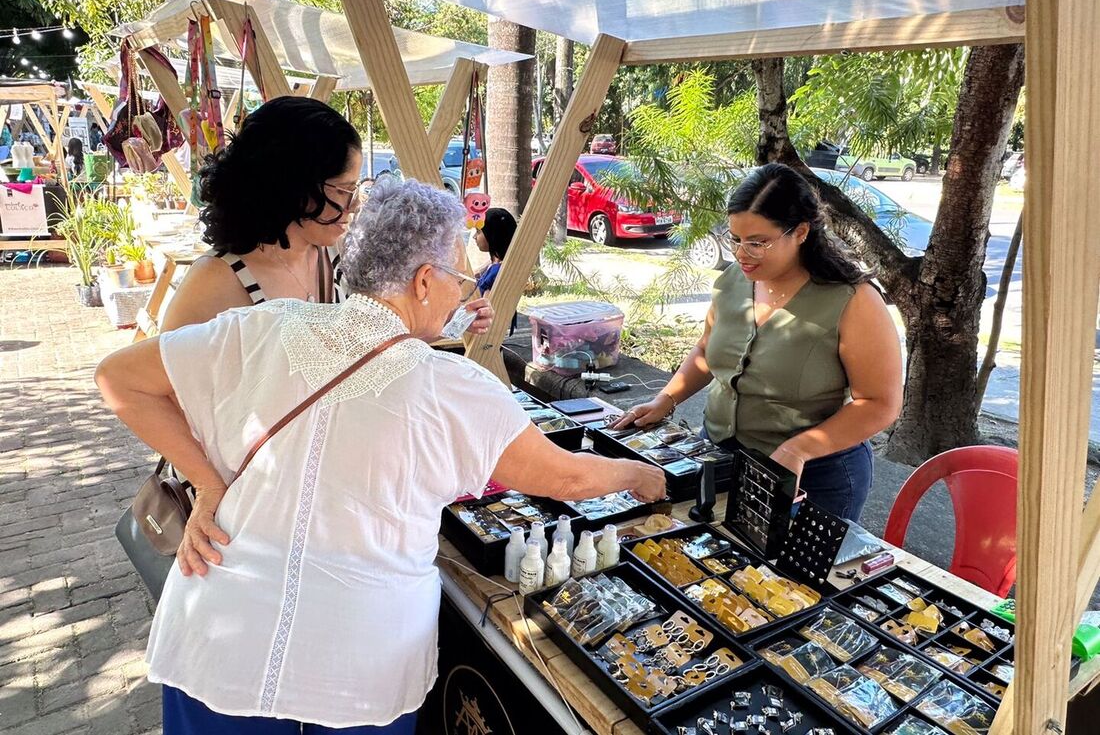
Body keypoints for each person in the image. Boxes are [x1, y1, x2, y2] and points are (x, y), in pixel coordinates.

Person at [95, 179, 665, 734]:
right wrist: (638, 473)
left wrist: (208, 483)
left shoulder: (261, 325)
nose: (464, 294)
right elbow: (562, 476)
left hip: (220, 642)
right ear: (424, 280)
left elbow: (117, 378)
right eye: (460, 280)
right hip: (357, 666)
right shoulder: (453, 388)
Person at [615, 163, 902, 521]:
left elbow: (879, 403)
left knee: (789, 577)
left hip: (811, 476)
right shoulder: (735, 280)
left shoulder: (852, 299)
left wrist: (800, 449)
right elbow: (707, 350)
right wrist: (666, 398)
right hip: (719, 456)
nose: (741, 253)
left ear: (799, 232)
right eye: (735, 239)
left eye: (757, 242)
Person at [159, 96, 492, 339]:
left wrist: (450, 319)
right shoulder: (216, 281)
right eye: (343, 190)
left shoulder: (337, 254)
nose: (352, 206)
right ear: (293, 186)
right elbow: (160, 389)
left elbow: (379, 333)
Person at [473, 206, 517, 294]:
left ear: (492, 235)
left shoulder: (495, 274)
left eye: (478, 231)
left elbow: (486, 303)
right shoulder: (499, 265)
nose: (474, 237)